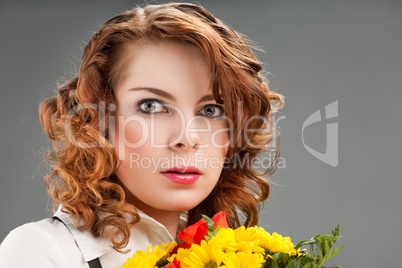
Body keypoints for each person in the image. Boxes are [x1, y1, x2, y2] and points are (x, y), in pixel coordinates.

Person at [0, 2, 284, 267]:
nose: (187, 138)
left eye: (210, 110)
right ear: (99, 121)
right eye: (151, 106)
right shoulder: (43, 251)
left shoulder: (238, 254)